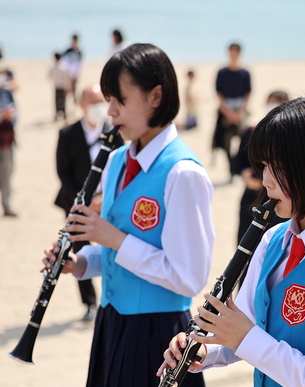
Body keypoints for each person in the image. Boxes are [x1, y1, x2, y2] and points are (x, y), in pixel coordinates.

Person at [158, 95, 305, 387]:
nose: (265, 179)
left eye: (277, 168)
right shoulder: (272, 240)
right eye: (264, 165)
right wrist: (206, 350)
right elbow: (250, 327)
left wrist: (246, 337)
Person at [41, 43, 214, 387]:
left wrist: (112, 238)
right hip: (111, 323)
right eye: (108, 100)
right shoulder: (117, 160)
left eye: (119, 100)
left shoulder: (183, 173)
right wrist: (82, 262)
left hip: (159, 335)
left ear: (155, 96)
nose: (111, 111)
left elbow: (190, 278)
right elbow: (115, 248)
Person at [55, 85, 125, 321]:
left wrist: (104, 198)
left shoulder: (115, 132)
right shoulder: (67, 134)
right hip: (78, 203)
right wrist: (85, 201)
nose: (98, 107)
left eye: (100, 101)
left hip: (109, 201)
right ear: (80, 104)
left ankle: (113, 295)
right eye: (92, 101)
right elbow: (63, 172)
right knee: (79, 250)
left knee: (112, 247)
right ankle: (90, 303)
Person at [232, 90, 289, 244]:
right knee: (245, 239)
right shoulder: (251, 131)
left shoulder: (290, 139)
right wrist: (246, 176)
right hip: (251, 194)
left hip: (278, 196)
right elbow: (237, 162)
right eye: (270, 102)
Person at [212, 43, 251, 181]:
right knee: (224, 143)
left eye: (235, 53)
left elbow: (248, 94)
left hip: (241, 112)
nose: (233, 56)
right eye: (231, 53)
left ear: (239, 54)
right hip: (225, 111)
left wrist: (240, 112)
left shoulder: (245, 73)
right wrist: (228, 113)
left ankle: (240, 168)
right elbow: (218, 94)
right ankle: (231, 171)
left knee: (245, 139)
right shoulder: (222, 72)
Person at [0, 69, 17, 217]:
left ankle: (6, 205)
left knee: (7, 172)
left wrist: (10, 116)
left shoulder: (6, 93)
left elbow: (17, 114)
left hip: (7, 140)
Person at [49, 53, 70, 121]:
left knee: (56, 101)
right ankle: (64, 114)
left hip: (57, 86)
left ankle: (57, 114)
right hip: (63, 86)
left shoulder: (53, 67)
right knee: (63, 100)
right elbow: (67, 77)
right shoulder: (64, 67)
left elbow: (50, 75)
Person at [62, 34, 83, 104]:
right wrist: (67, 74)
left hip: (74, 75)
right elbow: (63, 62)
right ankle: (65, 107)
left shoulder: (79, 52)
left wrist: (77, 74)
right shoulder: (68, 51)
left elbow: (80, 64)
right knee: (66, 92)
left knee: (74, 92)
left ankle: (73, 106)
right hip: (67, 75)